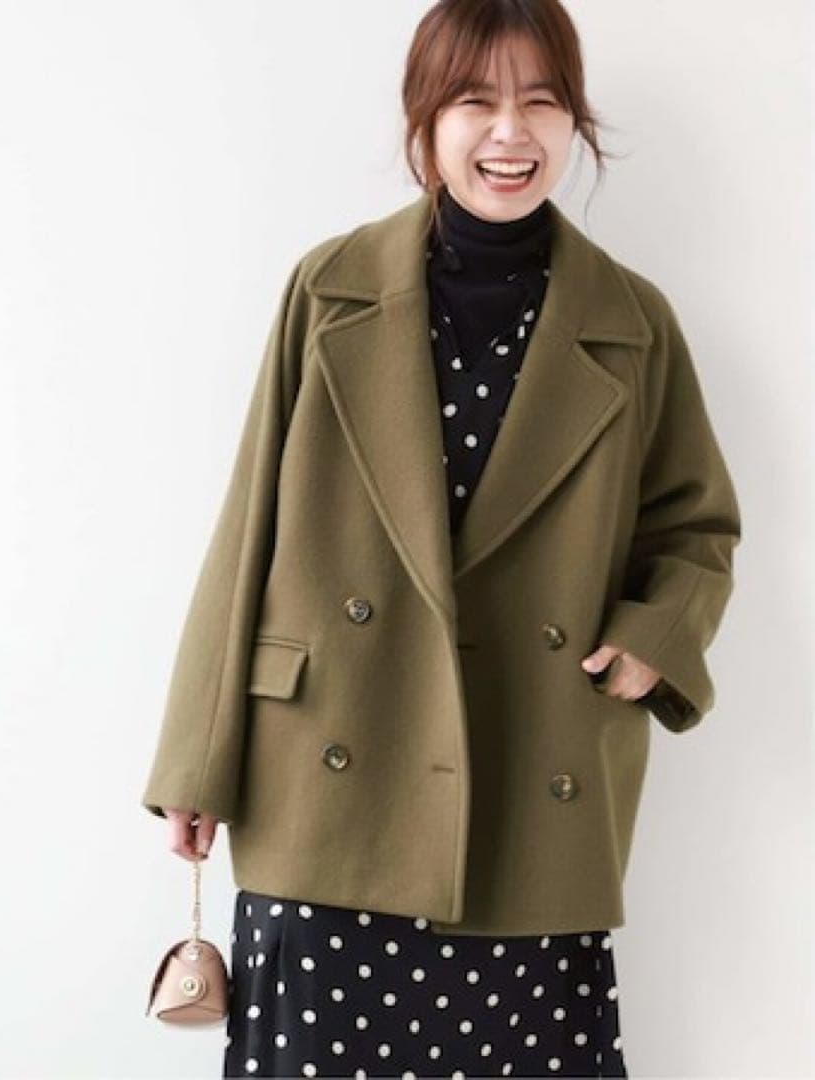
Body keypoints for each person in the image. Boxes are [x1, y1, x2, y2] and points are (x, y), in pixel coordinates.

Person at [141, 1, 742, 1076]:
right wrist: (198, 755)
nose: (511, 132)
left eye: (541, 103)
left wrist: (655, 635)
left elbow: (695, 523)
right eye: (476, 101)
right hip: (329, 782)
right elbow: (249, 525)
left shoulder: (632, 322)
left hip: (533, 782)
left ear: (573, 122)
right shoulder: (330, 290)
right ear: (425, 120)